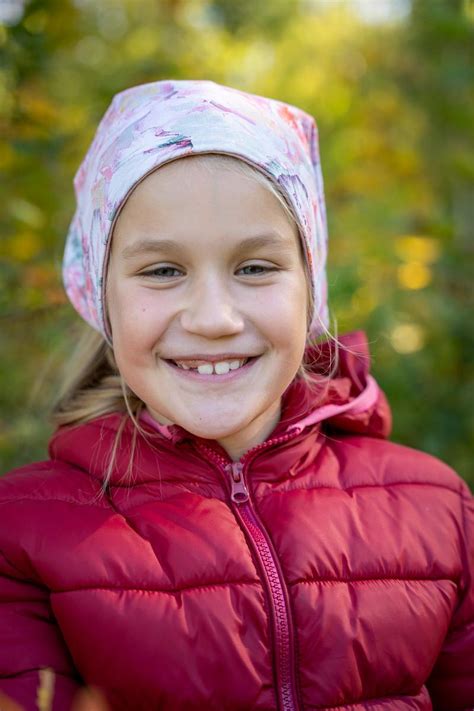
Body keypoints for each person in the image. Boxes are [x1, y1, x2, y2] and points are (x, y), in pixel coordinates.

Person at [0, 79, 472, 711]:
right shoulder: (22, 532)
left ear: (312, 288)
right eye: (162, 270)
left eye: (255, 267)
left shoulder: (437, 510)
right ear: (100, 294)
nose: (214, 317)